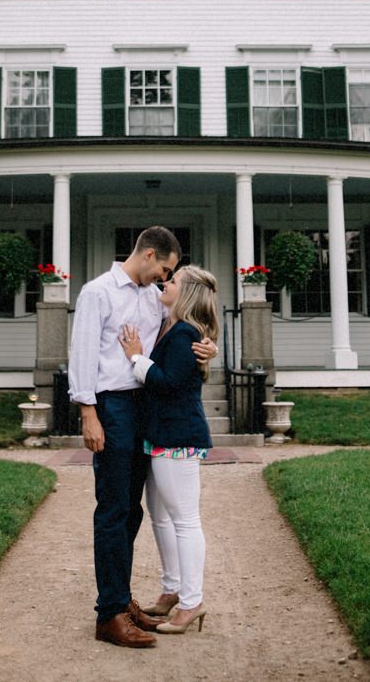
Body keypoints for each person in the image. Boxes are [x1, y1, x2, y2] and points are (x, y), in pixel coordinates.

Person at [67, 226, 215, 649]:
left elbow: (182, 328)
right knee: (113, 509)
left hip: (144, 410)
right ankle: (108, 614)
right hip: (111, 407)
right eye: (165, 269)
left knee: (132, 512)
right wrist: (88, 414)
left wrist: (209, 348)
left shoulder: (153, 297)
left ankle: (121, 598)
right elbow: (81, 355)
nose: (165, 279)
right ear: (149, 255)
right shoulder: (98, 293)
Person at [121, 264, 219, 634]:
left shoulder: (183, 335)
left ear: (188, 293)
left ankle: (191, 603)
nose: (165, 282)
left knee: (185, 520)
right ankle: (171, 589)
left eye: (173, 281)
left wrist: (135, 357)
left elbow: (167, 382)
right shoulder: (170, 325)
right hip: (159, 435)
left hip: (178, 438)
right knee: (161, 516)